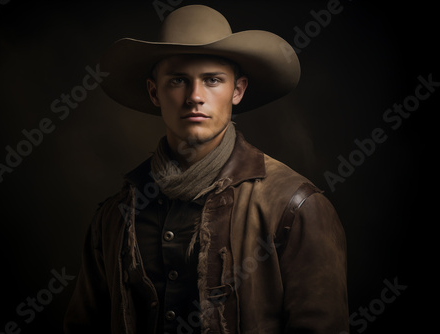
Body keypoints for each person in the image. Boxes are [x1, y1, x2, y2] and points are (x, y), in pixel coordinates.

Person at [64, 5, 349, 334]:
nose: (195, 96)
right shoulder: (114, 218)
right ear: (154, 92)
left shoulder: (295, 208)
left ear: (237, 90)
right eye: (178, 80)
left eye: (212, 80)